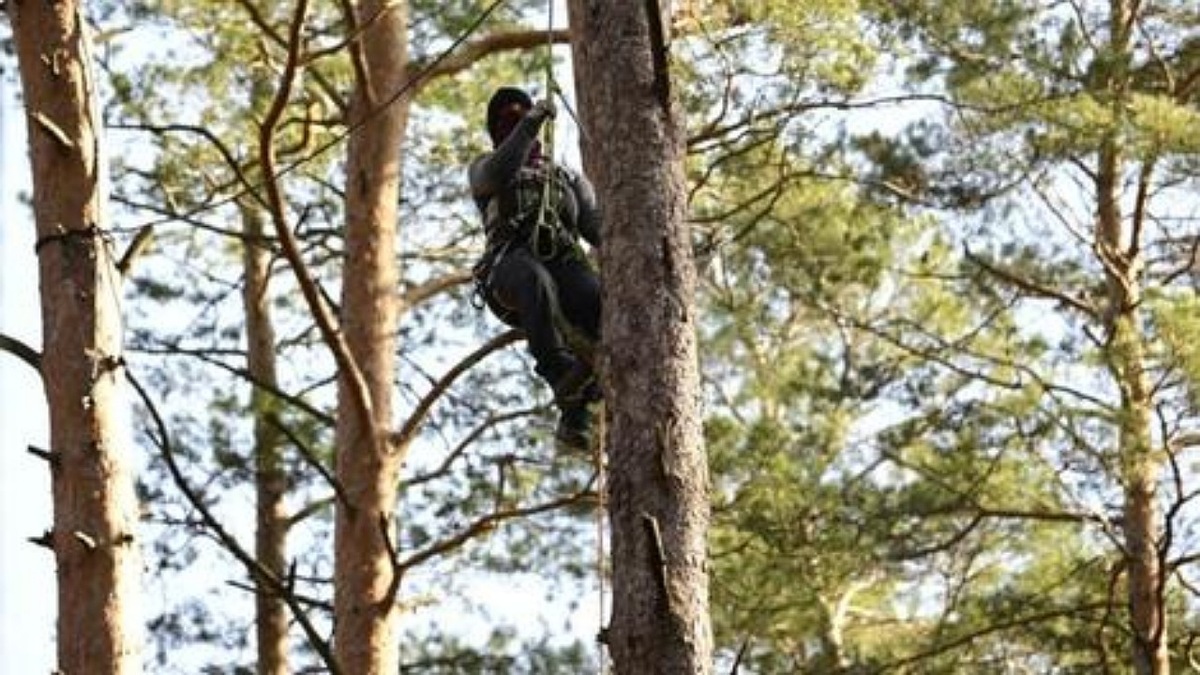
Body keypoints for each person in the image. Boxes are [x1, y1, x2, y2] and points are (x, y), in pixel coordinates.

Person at [469, 86, 602, 449]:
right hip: (510, 264)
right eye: (505, 119)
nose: (514, 119)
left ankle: (584, 392)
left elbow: (597, 229)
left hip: (563, 259)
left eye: (520, 112)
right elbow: (499, 173)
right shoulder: (483, 167)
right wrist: (526, 126)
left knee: (594, 298)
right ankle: (559, 373)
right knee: (534, 280)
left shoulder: (566, 177)